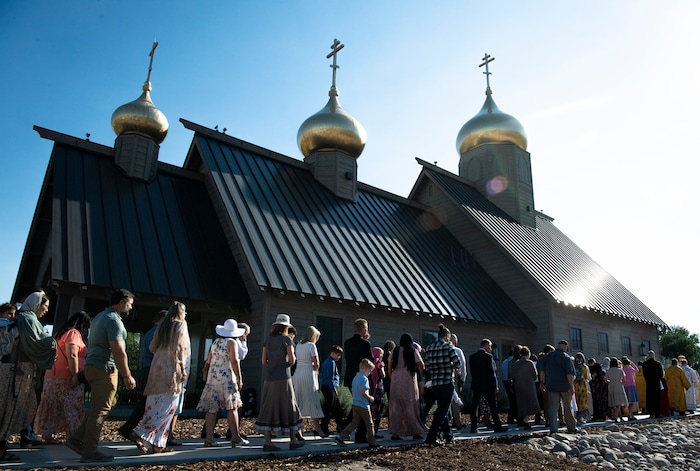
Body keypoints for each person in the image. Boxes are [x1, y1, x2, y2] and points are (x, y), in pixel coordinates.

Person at [66, 289, 137, 463]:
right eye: (130, 304)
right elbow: (119, 351)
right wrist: (127, 375)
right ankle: (90, 451)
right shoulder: (114, 321)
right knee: (101, 410)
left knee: (107, 405)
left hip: (92, 367)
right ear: (123, 302)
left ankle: (76, 439)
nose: (130, 307)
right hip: (105, 368)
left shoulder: (99, 317)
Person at [0, 292, 56, 461]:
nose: (46, 311)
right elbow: (37, 342)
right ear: (37, 304)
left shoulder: (24, 318)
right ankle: (1, 447)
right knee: (12, 407)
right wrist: (52, 343)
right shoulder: (28, 319)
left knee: (19, 407)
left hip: (17, 370)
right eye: (45, 307)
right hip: (18, 371)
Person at [130, 302, 190, 454]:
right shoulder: (180, 326)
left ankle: (156, 444)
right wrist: (182, 369)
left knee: (154, 405)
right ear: (181, 312)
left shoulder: (161, 327)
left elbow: (151, 347)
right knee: (168, 407)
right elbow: (180, 348)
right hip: (172, 369)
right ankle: (142, 433)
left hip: (156, 370)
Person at [34, 311, 91, 444]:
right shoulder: (74, 334)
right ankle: (74, 435)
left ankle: (47, 434)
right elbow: (72, 355)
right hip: (66, 376)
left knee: (52, 405)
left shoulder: (60, 334)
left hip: (52, 375)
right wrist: (75, 375)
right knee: (73, 406)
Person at [254, 313, 305, 451]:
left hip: (270, 378)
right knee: (289, 404)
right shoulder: (286, 340)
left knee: (269, 405)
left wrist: (273, 363)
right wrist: (284, 362)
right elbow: (292, 360)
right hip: (284, 376)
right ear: (286, 327)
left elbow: (264, 361)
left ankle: (267, 441)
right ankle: (293, 440)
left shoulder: (268, 340)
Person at [196, 318, 248, 448]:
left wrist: (205, 372)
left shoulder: (215, 342)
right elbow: (234, 361)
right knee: (232, 408)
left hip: (213, 378)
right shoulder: (232, 342)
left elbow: (208, 360)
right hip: (227, 379)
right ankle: (235, 437)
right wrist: (239, 378)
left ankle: (209, 437)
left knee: (212, 409)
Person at [118, 310, 167, 440]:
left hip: (148, 367)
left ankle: (132, 428)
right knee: (149, 401)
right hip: (153, 369)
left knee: (146, 400)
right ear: (163, 320)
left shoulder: (150, 332)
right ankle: (131, 428)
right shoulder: (157, 334)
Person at [424, 324, 462, 445]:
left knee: (442, 408)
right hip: (446, 380)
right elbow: (458, 363)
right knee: (443, 410)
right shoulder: (448, 347)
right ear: (447, 336)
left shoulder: (429, 348)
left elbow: (427, 367)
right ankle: (432, 436)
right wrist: (449, 366)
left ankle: (448, 435)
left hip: (435, 383)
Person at [387, 333, 426, 440]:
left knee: (396, 406)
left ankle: (395, 433)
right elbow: (421, 366)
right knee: (411, 404)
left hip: (396, 378)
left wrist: (391, 376)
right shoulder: (413, 351)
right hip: (409, 378)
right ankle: (415, 431)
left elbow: (389, 364)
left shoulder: (395, 350)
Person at [334, 358, 378, 448]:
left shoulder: (355, 378)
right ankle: (372, 442)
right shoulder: (365, 379)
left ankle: (340, 437)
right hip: (363, 404)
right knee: (369, 423)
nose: (369, 373)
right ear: (365, 369)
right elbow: (363, 392)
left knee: (354, 423)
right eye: (369, 371)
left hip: (355, 403)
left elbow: (353, 391)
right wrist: (370, 398)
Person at [291, 326, 325, 437]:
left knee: (298, 400)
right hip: (308, 373)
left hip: (298, 373)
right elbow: (316, 362)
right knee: (313, 400)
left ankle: (298, 429)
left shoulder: (299, 345)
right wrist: (317, 370)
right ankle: (318, 428)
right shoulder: (311, 345)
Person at [342, 318, 372, 443]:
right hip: (360, 376)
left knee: (356, 404)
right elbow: (369, 361)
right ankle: (359, 434)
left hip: (349, 376)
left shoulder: (347, 343)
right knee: (362, 405)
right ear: (364, 329)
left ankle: (345, 427)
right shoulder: (365, 344)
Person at [468, 338, 506, 435]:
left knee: (475, 406)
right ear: (484, 346)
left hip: (476, 384)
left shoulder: (472, 357)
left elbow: (472, 371)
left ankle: (473, 427)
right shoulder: (488, 357)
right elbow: (491, 373)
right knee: (492, 406)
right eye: (489, 346)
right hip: (487, 385)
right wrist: (495, 385)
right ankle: (497, 426)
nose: (490, 349)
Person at [539, 340, 577, 434]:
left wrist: (541, 382)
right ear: (565, 347)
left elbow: (541, 370)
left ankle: (553, 428)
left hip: (551, 385)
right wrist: (572, 387)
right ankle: (571, 427)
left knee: (553, 407)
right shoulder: (566, 357)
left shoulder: (547, 357)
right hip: (564, 385)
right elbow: (569, 374)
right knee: (567, 407)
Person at [513, 346, 540, 429]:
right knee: (530, 403)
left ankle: (522, 420)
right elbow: (535, 375)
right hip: (529, 386)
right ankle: (525, 421)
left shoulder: (517, 363)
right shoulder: (529, 363)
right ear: (528, 354)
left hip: (519, 386)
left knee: (522, 403)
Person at [319, 345, 344, 436]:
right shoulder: (331, 363)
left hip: (325, 386)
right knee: (329, 409)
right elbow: (331, 378)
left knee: (335, 408)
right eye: (338, 355)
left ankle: (340, 425)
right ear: (333, 353)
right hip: (330, 388)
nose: (339, 357)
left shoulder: (326, 362)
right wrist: (333, 390)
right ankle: (324, 428)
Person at [449, 334, 467, 430]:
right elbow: (462, 366)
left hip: (443, 377)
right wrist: (463, 379)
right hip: (455, 377)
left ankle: (450, 420)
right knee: (455, 401)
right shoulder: (457, 351)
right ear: (455, 341)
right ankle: (457, 422)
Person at [642, 350, 664, 418]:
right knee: (657, 398)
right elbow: (661, 374)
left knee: (650, 398)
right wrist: (658, 378)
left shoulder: (645, 364)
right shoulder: (657, 364)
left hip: (649, 383)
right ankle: (657, 413)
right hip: (656, 382)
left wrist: (647, 379)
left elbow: (644, 373)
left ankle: (651, 413)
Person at [369, 346, 386, 437]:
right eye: (381, 354)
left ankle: (369, 430)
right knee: (379, 410)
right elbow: (383, 375)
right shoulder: (379, 363)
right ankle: (375, 431)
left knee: (371, 410)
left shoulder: (370, 363)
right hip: (378, 389)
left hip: (371, 388)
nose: (382, 356)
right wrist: (382, 367)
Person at [606, 357, 628, 422]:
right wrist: (621, 383)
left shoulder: (608, 370)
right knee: (619, 402)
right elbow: (624, 379)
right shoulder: (620, 370)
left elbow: (605, 379)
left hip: (611, 385)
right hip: (618, 385)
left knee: (615, 402)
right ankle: (615, 416)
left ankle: (620, 417)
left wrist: (609, 382)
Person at [572, 352, 589, 424]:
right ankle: (581, 417)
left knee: (576, 401)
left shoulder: (573, 366)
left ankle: (575, 417)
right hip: (582, 385)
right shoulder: (584, 367)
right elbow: (586, 377)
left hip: (575, 385)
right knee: (582, 402)